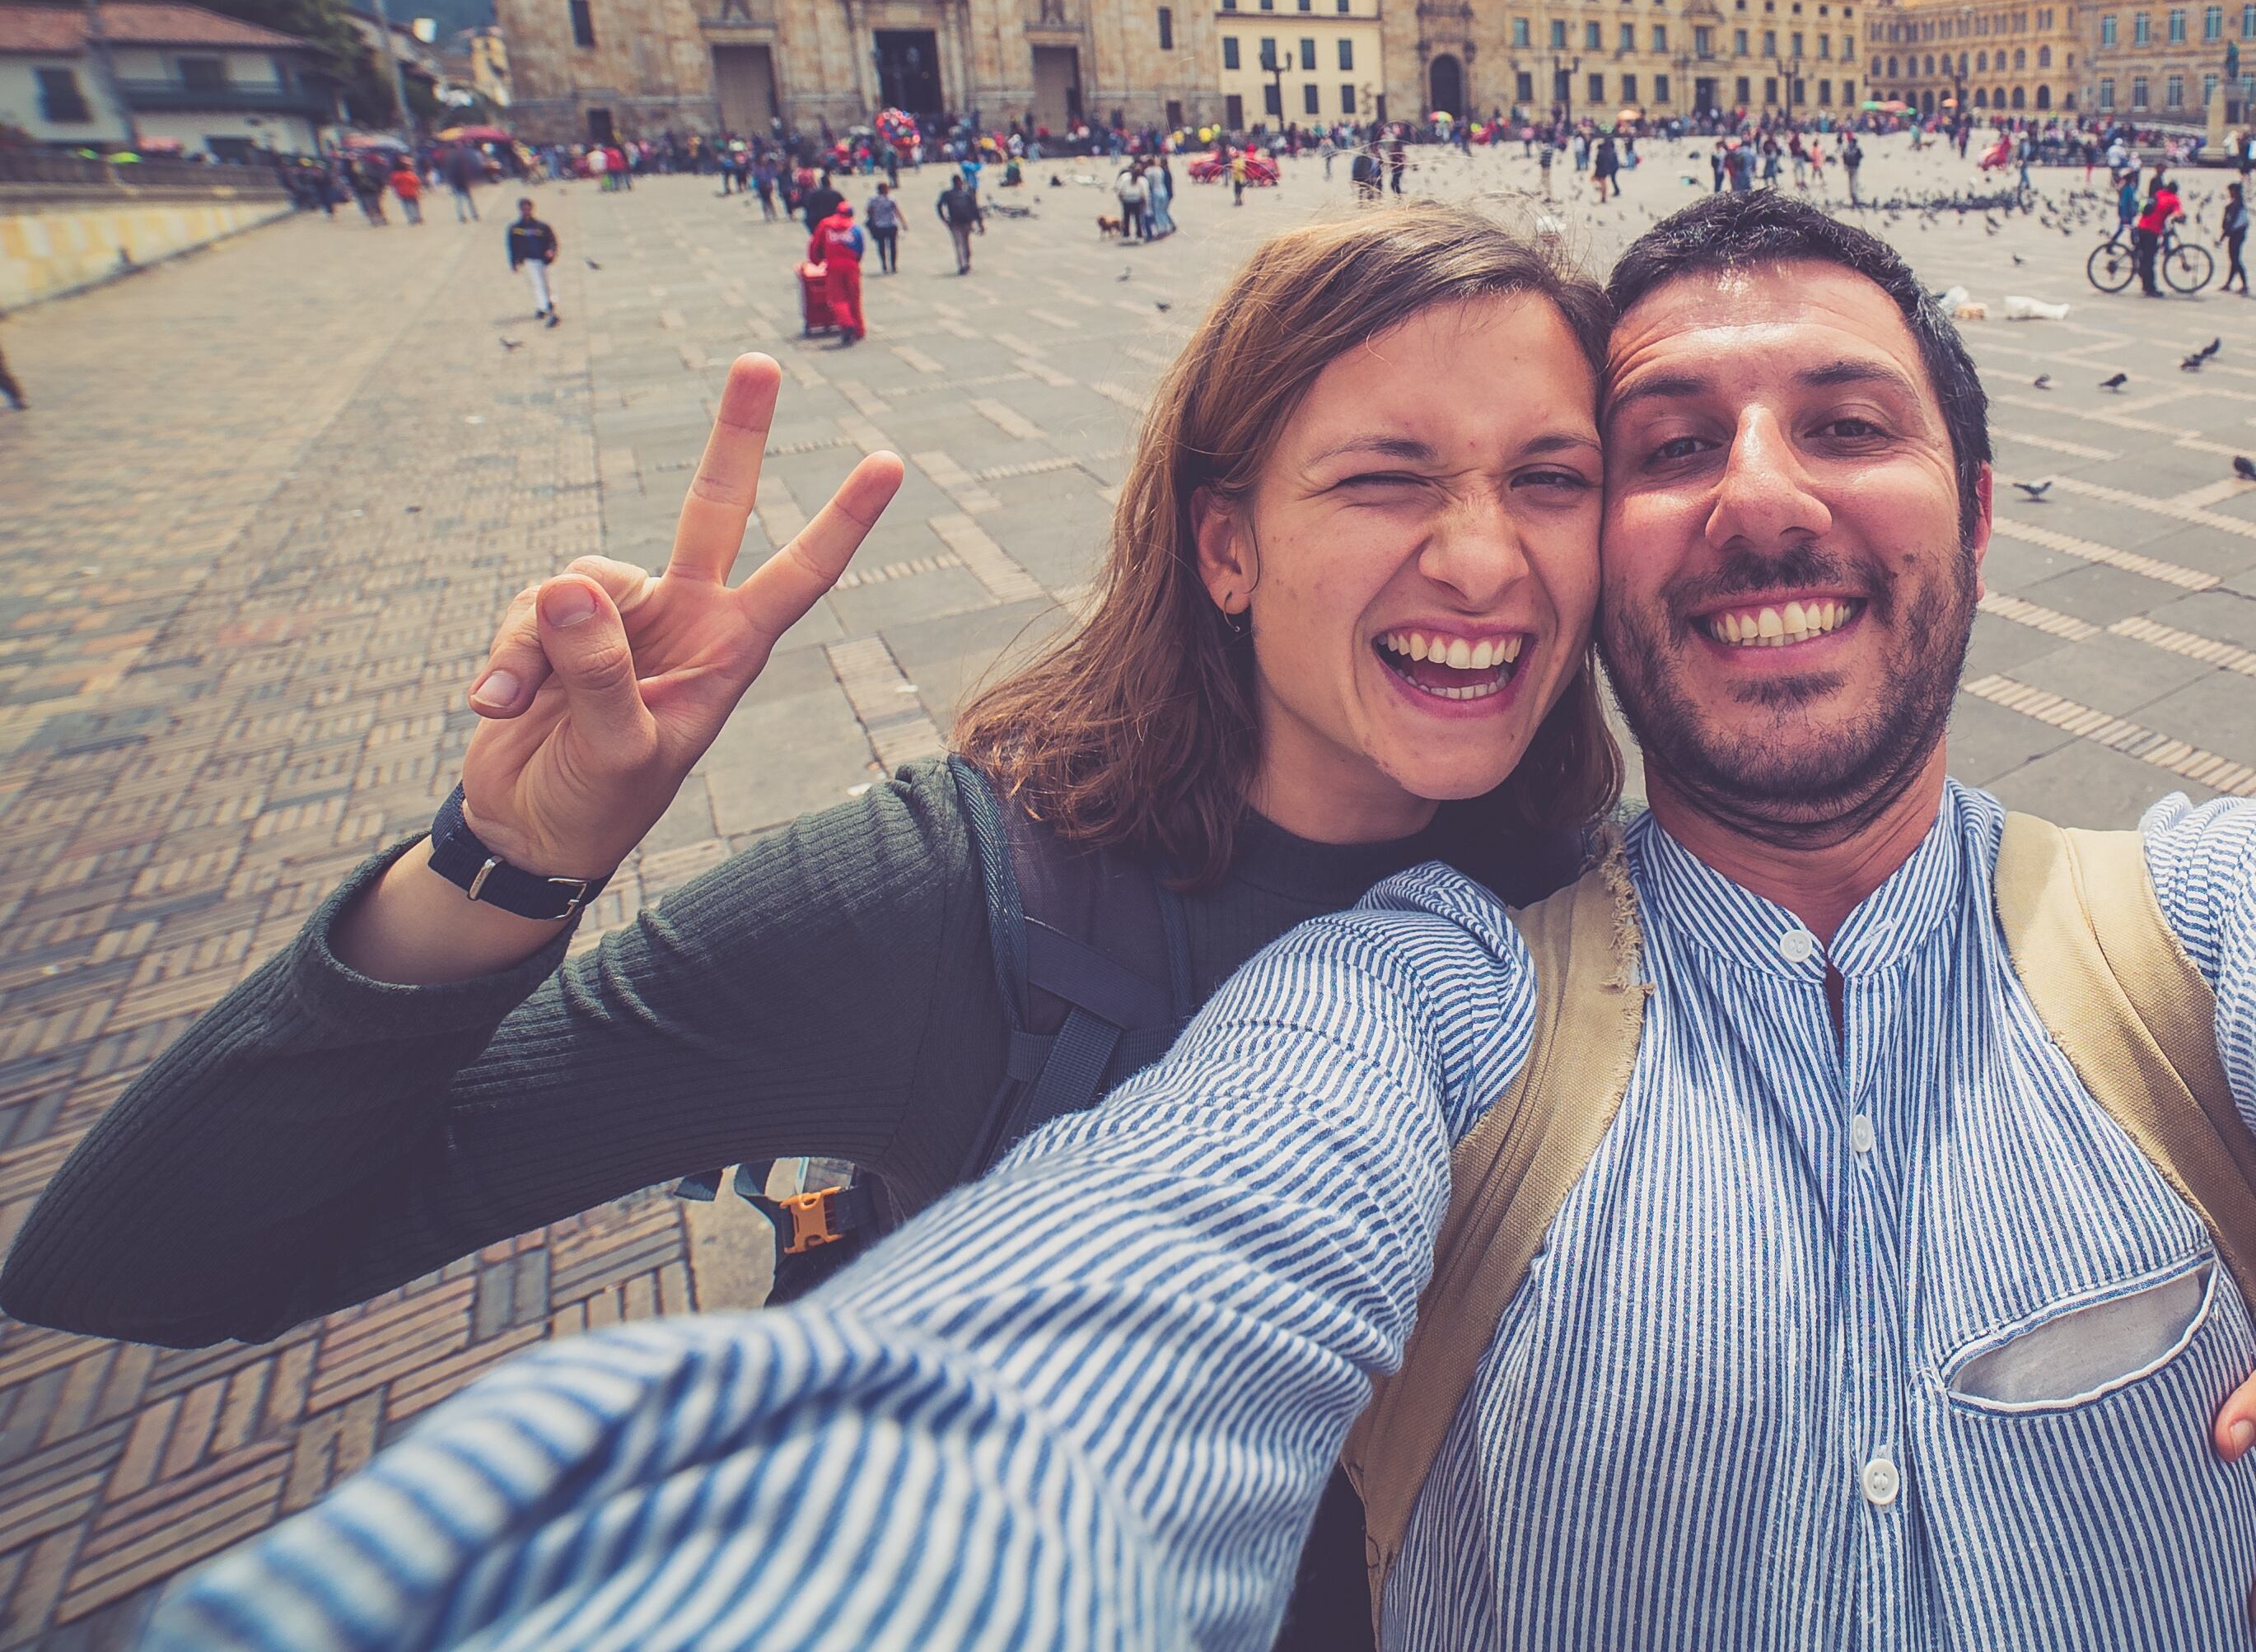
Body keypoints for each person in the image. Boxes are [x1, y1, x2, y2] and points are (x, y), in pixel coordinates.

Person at [164, 194, 2256, 1652]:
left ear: (1974, 511)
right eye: (1652, 447)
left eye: (1841, 419)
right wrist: (521, 858)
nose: (1711, 506)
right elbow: (1075, 1348)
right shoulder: (1351, 987)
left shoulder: (2222, 928)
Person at [5, 217, 1676, 1645]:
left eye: (1550, 479)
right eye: (1384, 481)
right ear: (1226, 546)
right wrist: (506, 861)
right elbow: (148, 1257)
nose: (1483, 557)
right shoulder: (955, 906)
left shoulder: (1603, 889)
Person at [805, 198, 867, 347]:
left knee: (837, 299)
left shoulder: (825, 225)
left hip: (833, 266)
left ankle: (847, 324)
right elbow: (860, 249)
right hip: (851, 266)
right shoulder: (855, 228)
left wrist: (816, 261)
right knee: (854, 297)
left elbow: (814, 245)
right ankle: (859, 329)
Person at [504, 198, 558, 329]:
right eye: (523, 209)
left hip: (543, 259)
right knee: (535, 284)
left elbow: (552, 240)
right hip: (528, 260)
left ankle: (550, 302)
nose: (525, 211)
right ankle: (541, 307)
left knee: (547, 283)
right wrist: (514, 262)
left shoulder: (542, 226)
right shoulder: (515, 229)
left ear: (532, 209)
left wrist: (551, 251)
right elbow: (512, 246)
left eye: (527, 209)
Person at [2132, 167, 2180, 296]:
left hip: (2141, 226)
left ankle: (2144, 281)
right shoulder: (2174, 199)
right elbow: (2177, 214)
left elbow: (2144, 203)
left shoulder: (2159, 194)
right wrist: (2181, 218)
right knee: (2149, 259)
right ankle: (2150, 288)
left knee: (2143, 257)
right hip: (2152, 230)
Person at [935, 169, 983, 273]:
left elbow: (939, 206)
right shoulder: (966, 194)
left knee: (960, 244)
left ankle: (963, 264)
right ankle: (965, 264)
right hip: (965, 222)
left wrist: (944, 218)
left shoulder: (947, 194)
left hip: (955, 222)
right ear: (959, 182)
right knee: (964, 243)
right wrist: (980, 223)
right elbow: (975, 209)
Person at [2218, 173, 2251, 295]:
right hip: (2238, 234)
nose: (2229, 193)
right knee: (2234, 259)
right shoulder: (2238, 203)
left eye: (2231, 191)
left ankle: (2245, 285)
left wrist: (2224, 234)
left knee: (2235, 260)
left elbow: (2232, 221)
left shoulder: (2236, 205)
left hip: (2236, 234)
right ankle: (2229, 283)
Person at [864, 181, 904, 276]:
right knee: (888, 246)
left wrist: (873, 219)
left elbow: (868, 211)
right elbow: (897, 211)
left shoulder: (873, 199)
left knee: (885, 246)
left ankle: (888, 265)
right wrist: (903, 223)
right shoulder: (890, 198)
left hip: (883, 225)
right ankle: (889, 265)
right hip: (887, 225)